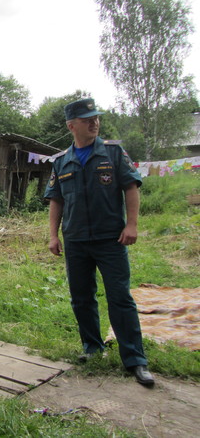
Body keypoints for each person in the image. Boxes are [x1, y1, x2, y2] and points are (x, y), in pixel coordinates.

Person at [44, 98, 154, 386]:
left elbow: (131, 187)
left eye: (96, 118)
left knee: (120, 297)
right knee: (82, 298)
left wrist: (132, 224)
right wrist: (53, 235)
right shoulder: (61, 162)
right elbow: (56, 201)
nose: (94, 122)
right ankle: (93, 349)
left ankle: (135, 360)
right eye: (87, 119)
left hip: (111, 239)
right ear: (72, 125)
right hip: (76, 240)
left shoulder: (114, 153)